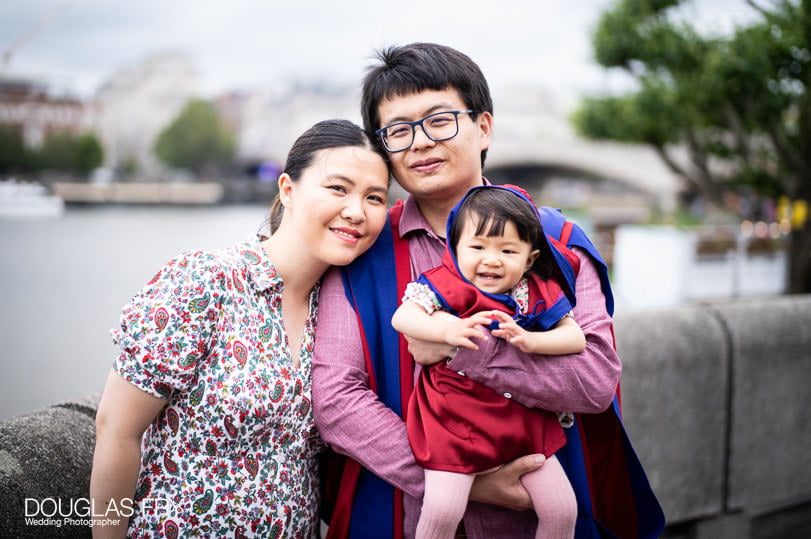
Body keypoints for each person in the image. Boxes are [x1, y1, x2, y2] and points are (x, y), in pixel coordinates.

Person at [312, 42, 664, 539]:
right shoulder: (361, 251)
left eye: (439, 121)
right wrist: (467, 482)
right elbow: (337, 402)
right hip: (399, 515)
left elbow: (594, 381)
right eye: (398, 131)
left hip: (531, 518)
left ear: (484, 127)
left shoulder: (556, 242)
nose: (419, 143)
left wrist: (469, 352)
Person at [89, 119, 390, 538]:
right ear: (288, 189)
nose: (356, 211)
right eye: (338, 188)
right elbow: (117, 430)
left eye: (375, 197)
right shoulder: (206, 281)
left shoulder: (343, 311)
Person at [392, 184, 585, 539]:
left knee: (562, 510)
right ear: (456, 247)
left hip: (521, 425)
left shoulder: (535, 291)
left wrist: (531, 340)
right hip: (453, 422)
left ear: (529, 258)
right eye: (477, 247)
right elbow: (403, 318)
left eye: (508, 250)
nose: (491, 259)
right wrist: (445, 331)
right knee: (441, 510)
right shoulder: (443, 284)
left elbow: (575, 337)